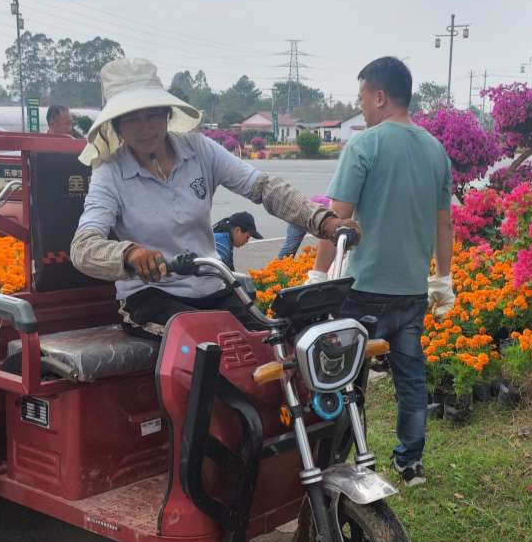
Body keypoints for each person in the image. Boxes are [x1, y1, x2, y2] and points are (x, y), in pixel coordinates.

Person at [70, 58, 359, 337]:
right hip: (151, 296)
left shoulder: (199, 149)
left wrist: (325, 222)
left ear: (167, 114)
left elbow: (263, 187)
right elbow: (83, 247)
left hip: (212, 287)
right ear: (117, 126)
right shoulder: (109, 172)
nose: (145, 128)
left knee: (270, 340)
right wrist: (129, 254)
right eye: (132, 119)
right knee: (208, 344)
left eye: (152, 115)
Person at [312, 56, 454, 487]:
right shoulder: (436, 150)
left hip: (364, 289)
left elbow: (335, 220)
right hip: (411, 291)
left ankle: (349, 459)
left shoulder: (365, 146)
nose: (361, 108)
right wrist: (443, 278)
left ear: (379, 96)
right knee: (411, 378)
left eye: (361, 99)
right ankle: (410, 464)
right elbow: (443, 222)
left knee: (347, 380)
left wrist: (318, 275)